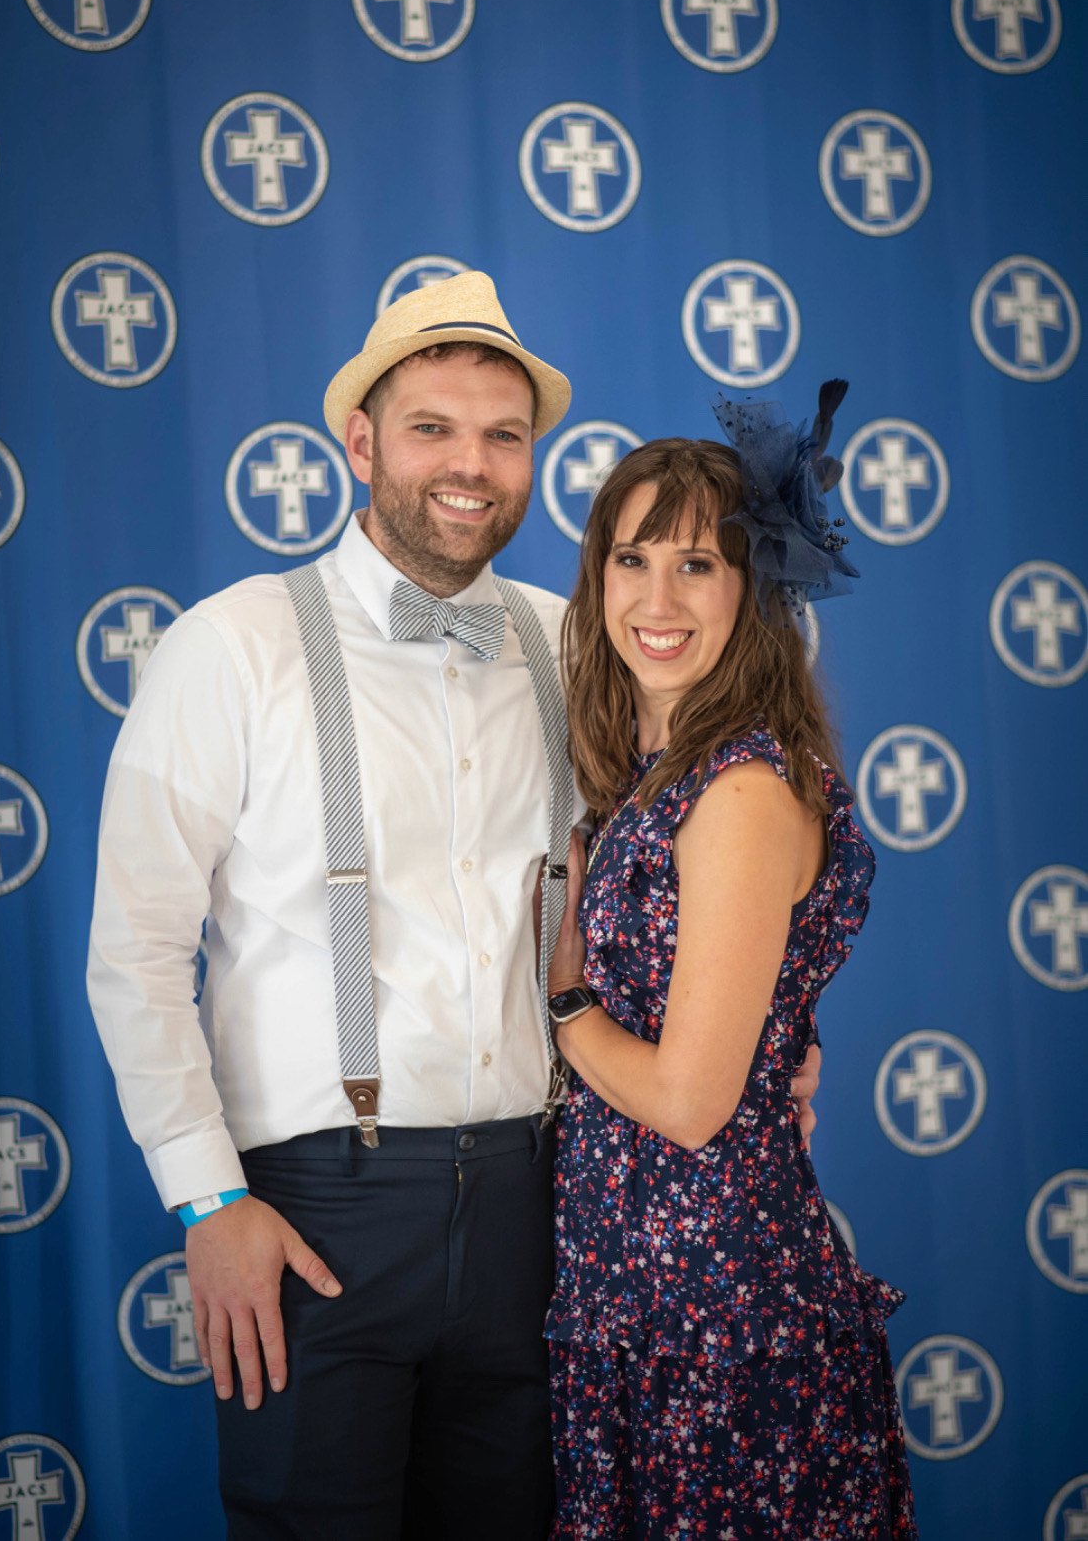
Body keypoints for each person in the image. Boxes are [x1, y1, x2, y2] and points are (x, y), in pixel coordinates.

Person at [86, 270, 820, 1540]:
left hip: (548, 1205)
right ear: (360, 442)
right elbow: (136, 951)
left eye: (503, 435)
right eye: (432, 428)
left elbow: (706, 871)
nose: (471, 465)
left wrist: (779, 1035)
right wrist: (208, 1198)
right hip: (317, 1207)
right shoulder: (231, 646)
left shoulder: (582, 641)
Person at [544, 393, 919, 1539]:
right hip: (630, 1294)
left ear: (752, 589)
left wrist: (561, 998)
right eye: (632, 560)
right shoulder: (652, 777)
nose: (656, 600)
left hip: (717, 1308)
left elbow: (692, 1101)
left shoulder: (742, 790)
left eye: (697, 565)